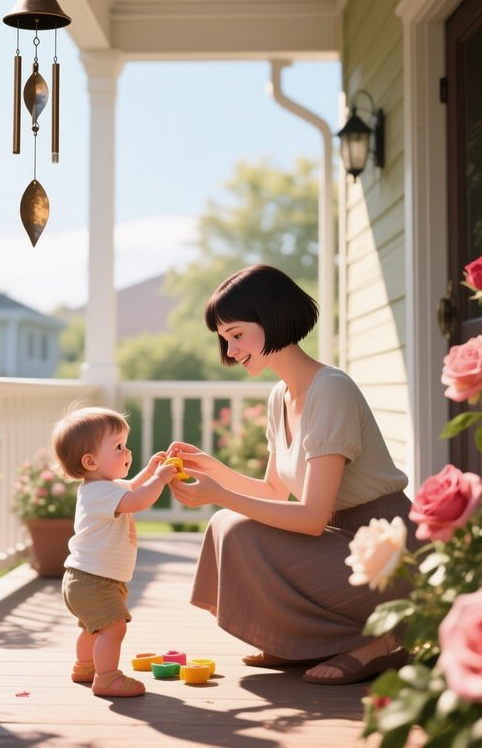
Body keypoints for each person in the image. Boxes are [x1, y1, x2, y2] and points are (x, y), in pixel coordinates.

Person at [168, 264, 418, 685]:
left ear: (273, 318)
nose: (229, 351)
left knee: (233, 522)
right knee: (227, 524)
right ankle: (306, 640)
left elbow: (310, 517)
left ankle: (388, 638)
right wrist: (213, 471)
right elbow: (272, 491)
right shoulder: (280, 395)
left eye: (236, 335)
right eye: (224, 339)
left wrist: (219, 495)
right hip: (341, 542)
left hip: (387, 548)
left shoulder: (331, 390)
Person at [51, 405, 179, 698]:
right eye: (119, 447)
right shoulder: (99, 492)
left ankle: (85, 666)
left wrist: (149, 470)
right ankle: (106, 677)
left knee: (92, 628)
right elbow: (137, 499)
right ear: (91, 461)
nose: (127, 452)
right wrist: (160, 479)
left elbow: (131, 488)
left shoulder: (104, 487)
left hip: (86, 579)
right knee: (114, 628)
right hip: (94, 581)